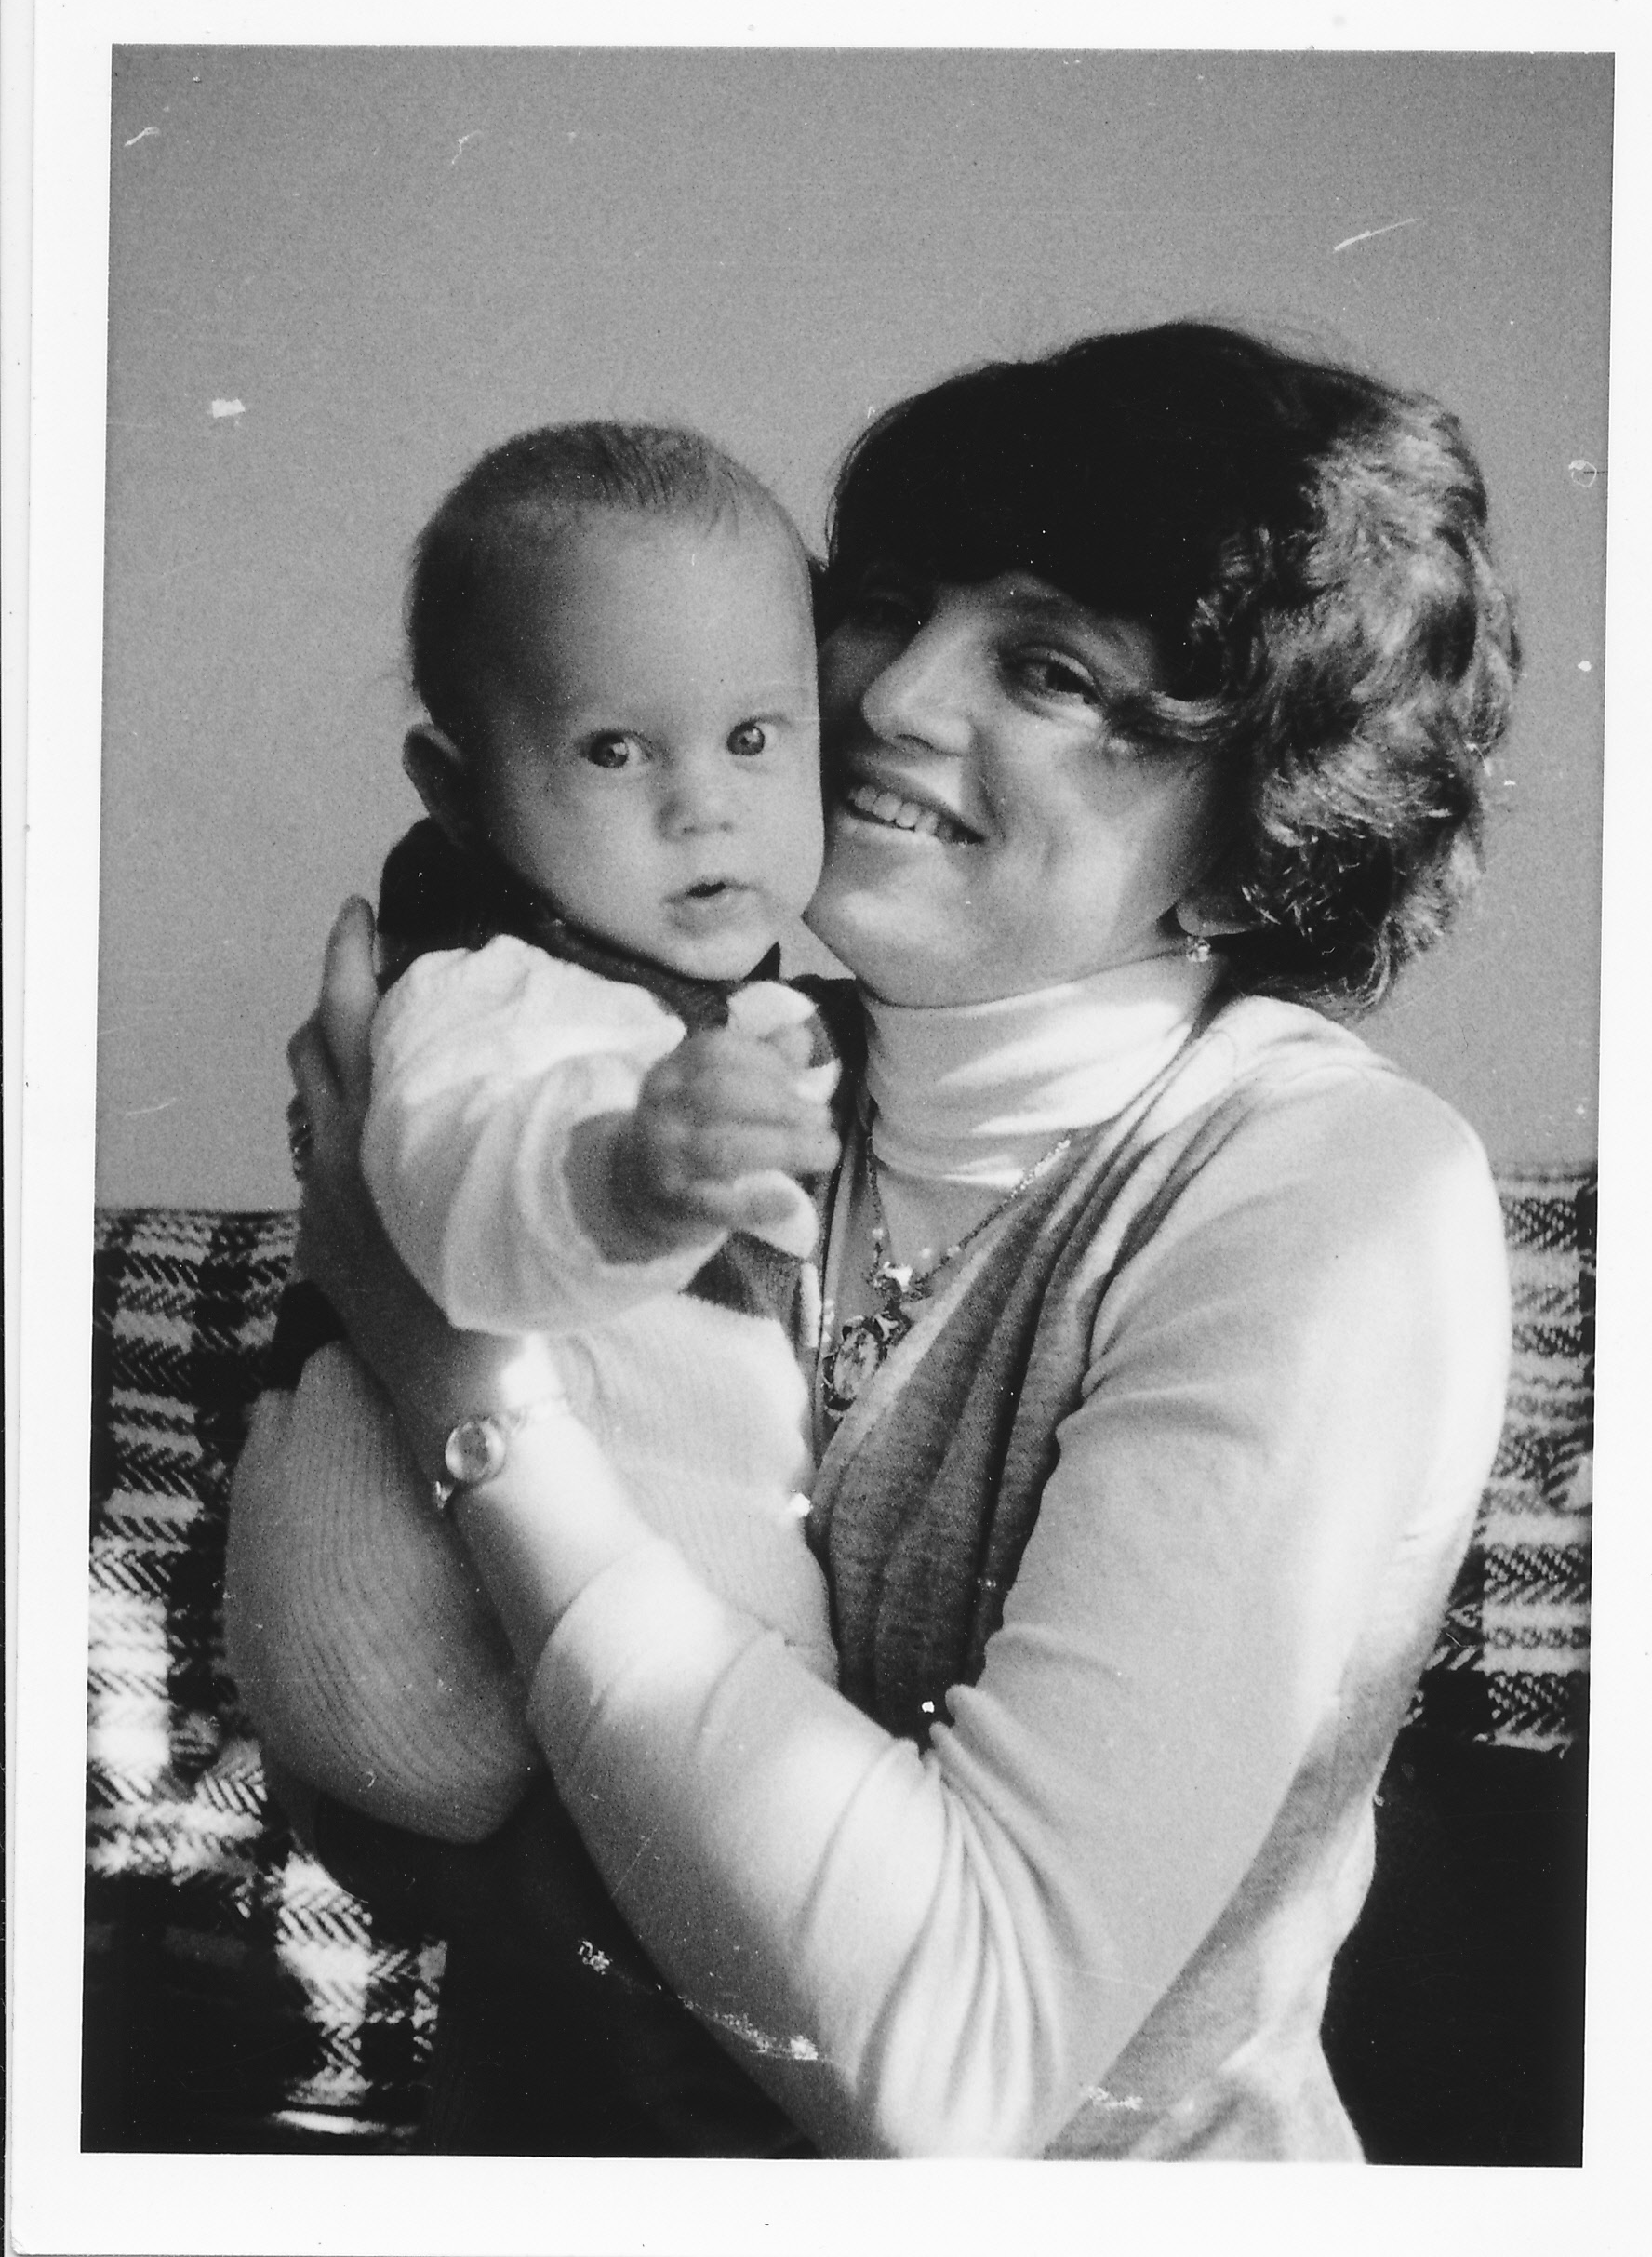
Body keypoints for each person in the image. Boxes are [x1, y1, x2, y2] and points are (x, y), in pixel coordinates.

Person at [260, 321, 1521, 2159]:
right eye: (888, 605)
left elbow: (958, 2063)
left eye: (1049, 668)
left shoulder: (1327, 1195)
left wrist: (453, 1375)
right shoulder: (681, 1063)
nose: (895, 696)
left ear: (1257, 838)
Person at [226, 422, 839, 1852]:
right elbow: (461, 1186)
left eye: (755, 738)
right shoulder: (482, 988)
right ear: (458, 792)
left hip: (580, 1614)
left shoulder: (722, 1004)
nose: (705, 806)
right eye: (615, 749)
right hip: (425, 1623)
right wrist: (624, 1176)